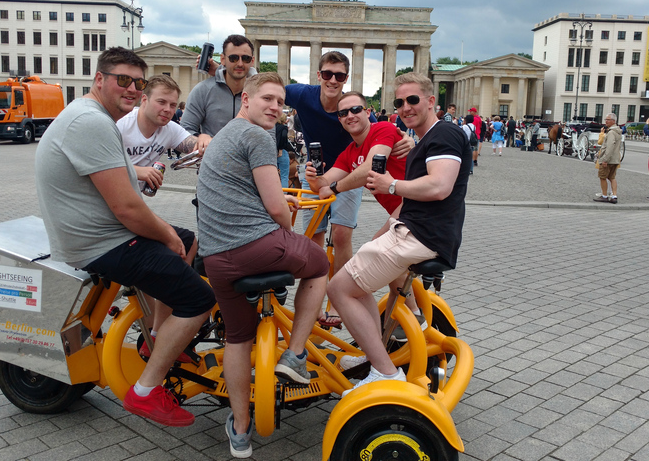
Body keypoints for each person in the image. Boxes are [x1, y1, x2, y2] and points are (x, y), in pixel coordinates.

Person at [35, 47, 215, 427]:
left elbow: (130, 198)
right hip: (98, 242)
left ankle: (159, 337)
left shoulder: (92, 116)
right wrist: (164, 235)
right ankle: (146, 391)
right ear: (99, 79)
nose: (131, 88)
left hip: (99, 232)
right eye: (123, 80)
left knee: (185, 239)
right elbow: (128, 209)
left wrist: (169, 234)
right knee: (199, 297)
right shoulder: (92, 123)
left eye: (136, 81)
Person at [196, 73, 330, 458]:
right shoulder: (258, 136)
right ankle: (296, 355)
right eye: (267, 99)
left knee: (238, 338)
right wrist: (288, 230)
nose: (275, 107)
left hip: (216, 257)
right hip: (255, 246)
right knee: (319, 263)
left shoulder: (225, 134)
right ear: (246, 101)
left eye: (281, 102)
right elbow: (276, 207)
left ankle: (240, 431)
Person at [328, 72, 471, 396]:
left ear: (431, 101)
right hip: (417, 230)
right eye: (399, 102)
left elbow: (439, 186)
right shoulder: (426, 139)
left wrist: (390, 184)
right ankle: (377, 350)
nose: (405, 107)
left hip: (420, 234)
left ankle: (384, 371)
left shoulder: (443, 134)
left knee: (339, 289)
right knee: (358, 280)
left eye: (413, 100)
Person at [304, 91, 411, 331]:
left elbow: (372, 167)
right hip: (402, 210)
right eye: (343, 113)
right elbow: (322, 187)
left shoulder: (382, 129)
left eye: (355, 109)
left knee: (377, 246)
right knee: (387, 260)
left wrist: (334, 187)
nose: (350, 115)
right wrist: (315, 176)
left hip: (415, 204)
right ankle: (399, 321)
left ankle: (412, 316)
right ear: (339, 120)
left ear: (367, 112)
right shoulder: (349, 152)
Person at [117, 74, 200, 360]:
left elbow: (190, 144)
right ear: (144, 100)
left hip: (134, 208)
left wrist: (204, 142)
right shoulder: (121, 127)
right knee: (174, 246)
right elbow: (100, 162)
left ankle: (157, 333)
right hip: (111, 213)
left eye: (173, 105)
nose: (167, 109)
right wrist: (137, 170)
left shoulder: (169, 129)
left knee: (187, 242)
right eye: (161, 102)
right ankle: (159, 331)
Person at [181, 34, 258, 154]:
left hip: (249, 167)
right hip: (212, 166)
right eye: (233, 58)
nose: (240, 63)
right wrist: (200, 139)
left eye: (246, 58)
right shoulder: (203, 90)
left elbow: (269, 133)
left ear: (252, 61)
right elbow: (183, 132)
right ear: (223, 59)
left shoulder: (258, 93)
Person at [593, 113, 621, 204]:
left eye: (608, 119)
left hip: (608, 159)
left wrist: (605, 160)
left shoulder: (611, 132)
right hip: (615, 159)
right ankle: (614, 196)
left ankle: (604, 196)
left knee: (602, 177)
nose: (606, 121)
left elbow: (609, 147)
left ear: (613, 121)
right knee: (612, 177)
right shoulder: (618, 131)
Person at [275, 114, 291, 187]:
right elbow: (284, 136)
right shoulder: (283, 128)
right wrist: (281, 148)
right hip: (282, 152)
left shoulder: (273, 127)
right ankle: (284, 194)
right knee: (284, 176)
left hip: (273, 152)